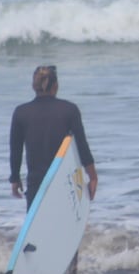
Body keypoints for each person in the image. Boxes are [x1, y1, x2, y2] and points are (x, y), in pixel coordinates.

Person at [9, 65, 98, 207]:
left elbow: (16, 150)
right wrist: (92, 177)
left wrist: (15, 179)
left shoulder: (21, 112)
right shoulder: (69, 110)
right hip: (64, 182)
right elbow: (82, 146)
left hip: (36, 183)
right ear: (56, 86)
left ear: (34, 86)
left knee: (38, 227)